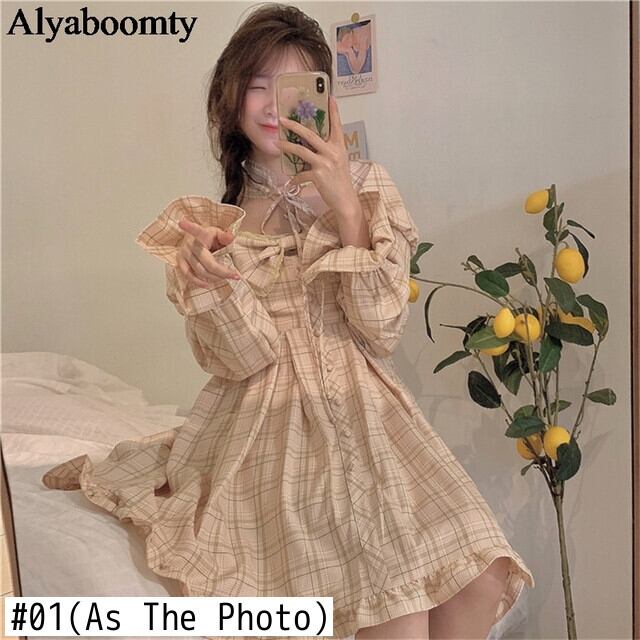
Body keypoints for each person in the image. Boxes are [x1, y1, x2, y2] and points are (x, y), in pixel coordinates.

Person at [42, 4, 534, 639]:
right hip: (265, 422)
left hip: (369, 410)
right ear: (230, 101)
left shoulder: (367, 187)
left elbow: (381, 329)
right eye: (257, 85)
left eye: (294, 85)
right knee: (397, 613)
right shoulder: (218, 223)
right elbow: (245, 358)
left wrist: (346, 208)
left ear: (324, 98)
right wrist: (210, 283)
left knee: (484, 576)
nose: (275, 105)